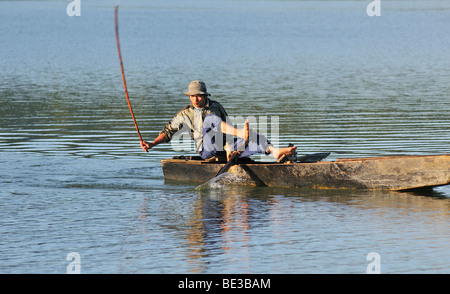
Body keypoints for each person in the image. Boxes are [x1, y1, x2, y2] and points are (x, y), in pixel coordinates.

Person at [140, 80, 296, 161]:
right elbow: (168, 132)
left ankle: (275, 152)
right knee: (209, 120)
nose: (196, 99)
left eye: (199, 95)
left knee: (256, 136)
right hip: (207, 150)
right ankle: (240, 136)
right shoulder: (185, 113)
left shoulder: (216, 106)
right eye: (193, 96)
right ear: (189, 97)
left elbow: (226, 126)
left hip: (226, 146)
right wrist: (152, 143)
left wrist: (236, 142)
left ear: (205, 96)